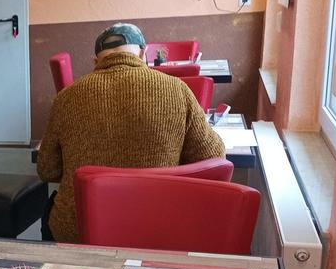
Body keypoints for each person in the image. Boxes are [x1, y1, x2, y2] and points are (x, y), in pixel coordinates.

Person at [36, 23, 226, 243]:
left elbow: (47, 170)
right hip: (157, 229)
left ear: (96, 61)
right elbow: (214, 156)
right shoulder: (178, 90)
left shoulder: (66, 98)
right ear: (143, 54)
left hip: (80, 233)